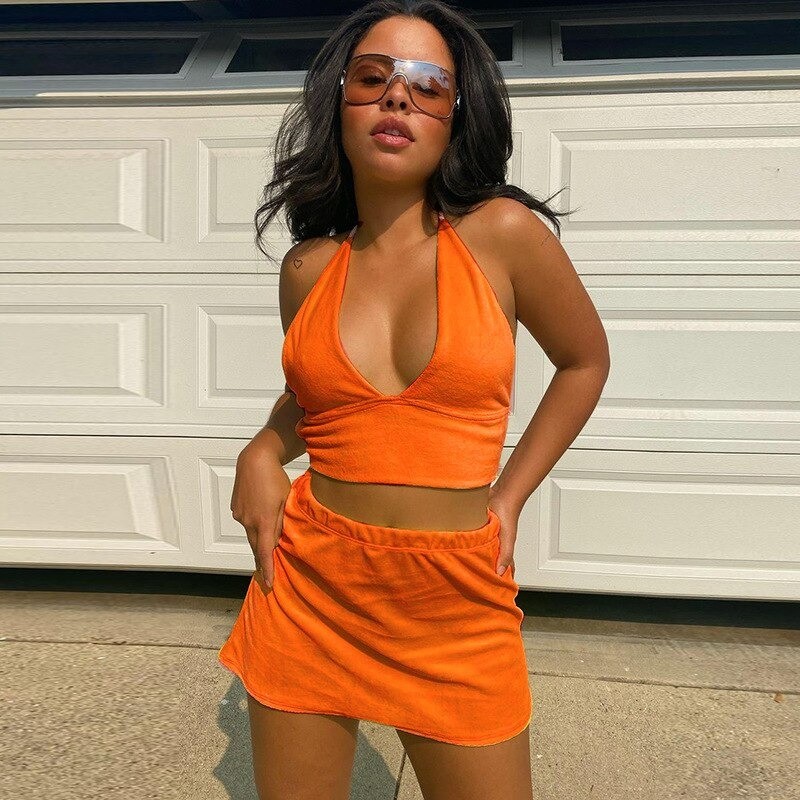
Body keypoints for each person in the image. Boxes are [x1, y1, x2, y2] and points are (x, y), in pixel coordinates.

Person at [218, 2, 610, 798]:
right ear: (338, 101)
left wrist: (510, 496)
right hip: (310, 587)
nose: (398, 95)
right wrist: (261, 449)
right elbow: (314, 399)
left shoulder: (502, 235)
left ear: (455, 117)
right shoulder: (307, 268)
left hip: (455, 602)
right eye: (373, 78)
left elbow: (584, 362)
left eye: (428, 85)